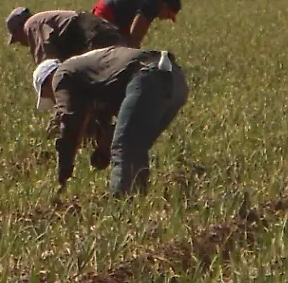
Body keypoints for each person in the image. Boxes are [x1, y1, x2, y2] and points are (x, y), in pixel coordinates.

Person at [32, 46, 188, 197]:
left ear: (48, 81)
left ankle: (124, 206)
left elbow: (71, 121)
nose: (54, 101)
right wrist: (104, 148)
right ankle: (137, 201)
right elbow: (123, 122)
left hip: (148, 76)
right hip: (174, 79)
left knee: (125, 147)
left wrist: (63, 174)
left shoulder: (61, 75)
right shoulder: (89, 73)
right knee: (134, 146)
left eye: (50, 96)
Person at [6, 7, 126, 65]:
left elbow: (47, 65)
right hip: (102, 29)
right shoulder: (45, 20)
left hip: (94, 35)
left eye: (17, 38)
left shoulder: (31, 25)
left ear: (19, 29)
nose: (22, 44)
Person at [91, 0, 182, 48]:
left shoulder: (154, 2)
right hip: (106, 13)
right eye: (169, 15)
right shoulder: (152, 4)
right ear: (165, 6)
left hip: (117, 18)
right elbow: (135, 37)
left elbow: (136, 35)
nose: (166, 19)